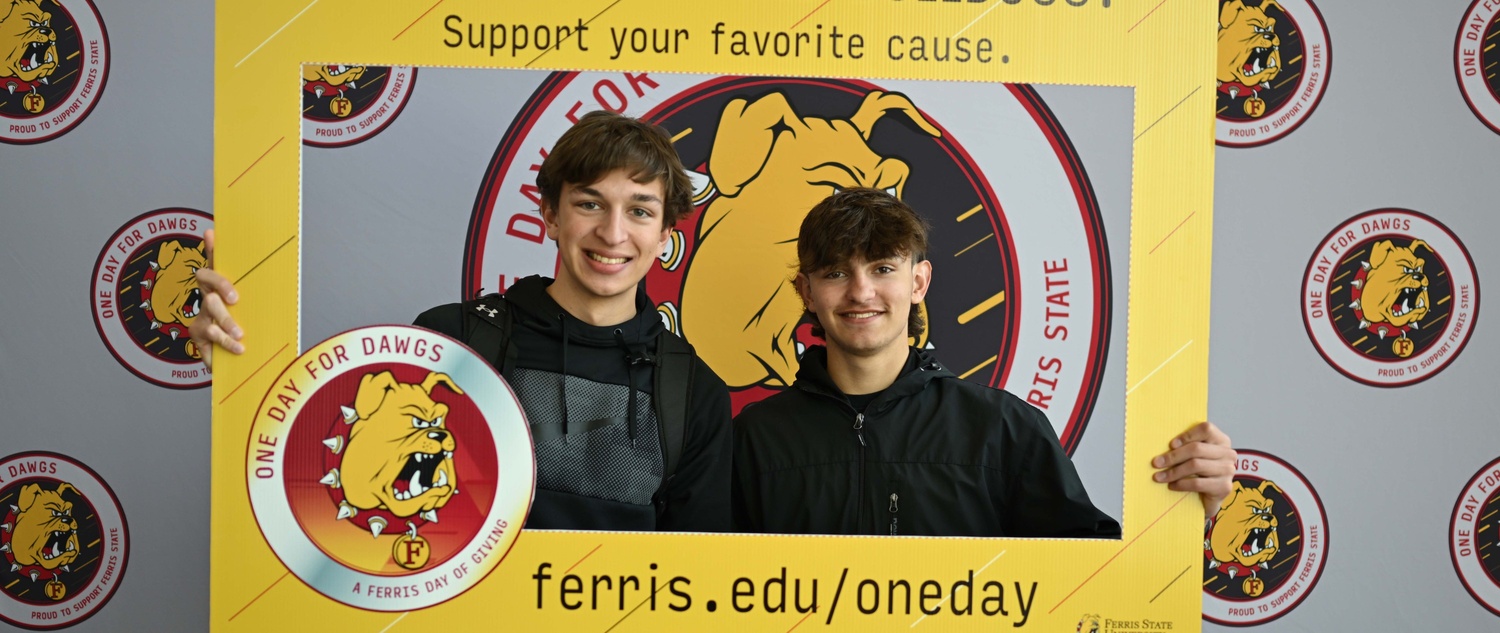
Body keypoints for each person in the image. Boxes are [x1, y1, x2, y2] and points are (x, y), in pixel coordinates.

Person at [192, 111, 733, 532]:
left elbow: (690, 580)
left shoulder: (693, 391)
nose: (613, 234)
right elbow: (331, 481)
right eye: (590, 204)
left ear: (665, 237)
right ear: (550, 214)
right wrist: (242, 373)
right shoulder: (451, 341)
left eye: (639, 211)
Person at [731, 188, 1235, 537]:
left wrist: (1198, 513)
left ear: (919, 283)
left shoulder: (1003, 427)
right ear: (807, 292)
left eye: (883, 268)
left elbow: (1092, 580)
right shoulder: (753, 437)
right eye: (837, 272)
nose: (861, 291)